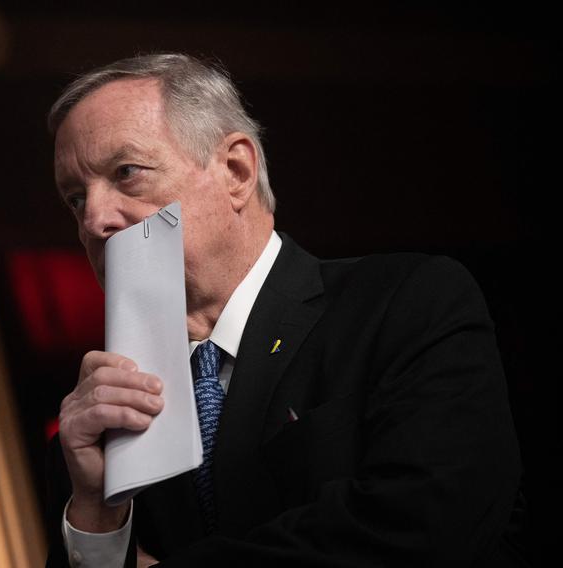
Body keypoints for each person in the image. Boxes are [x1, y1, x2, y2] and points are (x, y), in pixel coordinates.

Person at [44, 53, 527, 567]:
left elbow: (426, 526)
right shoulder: (106, 411)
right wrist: (97, 512)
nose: (94, 220)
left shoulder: (408, 300)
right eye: (75, 199)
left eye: (126, 172)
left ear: (236, 170)